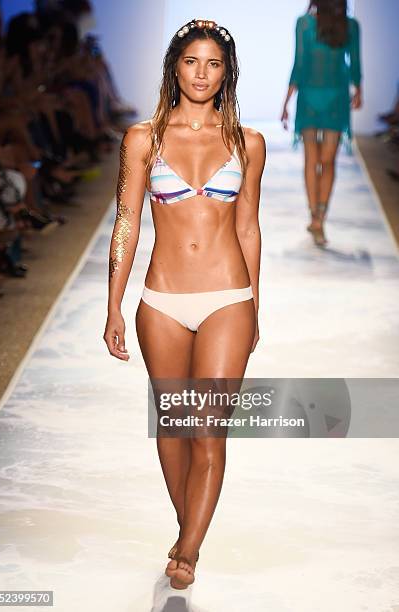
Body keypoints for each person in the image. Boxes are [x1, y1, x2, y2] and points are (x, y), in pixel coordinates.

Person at [103, 18, 266, 590]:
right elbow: (126, 222)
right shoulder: (142, 139)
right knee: (173, 425)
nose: (202, 73)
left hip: (227, 297)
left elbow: (248, 229)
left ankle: (189, 549)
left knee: (208, 431)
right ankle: (187, 522)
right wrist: (114, 305)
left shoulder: (247, 143)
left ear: (227, 73)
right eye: (192, 61)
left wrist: (254, 305)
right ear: (175, 66)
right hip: (162, 301)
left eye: (213, 63)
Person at [281, 0, 362, 246]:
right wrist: (286, 101)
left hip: (335, 98)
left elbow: (355, 60)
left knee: (326, 160)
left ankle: (320, 215)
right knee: (314, 159)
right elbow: (299, 62)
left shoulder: (350, 25)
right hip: (309, 97)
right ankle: (315, 216)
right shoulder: (303, 24)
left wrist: (358, 89)